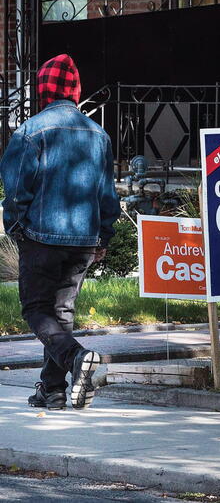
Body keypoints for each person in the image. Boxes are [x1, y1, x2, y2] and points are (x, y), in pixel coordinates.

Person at [0, 54, 120, 410]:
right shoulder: (98, 135)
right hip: (84, 238)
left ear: (42, 90)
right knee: (61, 311)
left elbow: (16, 189)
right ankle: (52, 389)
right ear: (75, 90)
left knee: (36, 308)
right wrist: (104, 237)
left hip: (41, 236)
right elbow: (107, 194)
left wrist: (16, 229)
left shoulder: (30, 131)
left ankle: (77, 358)